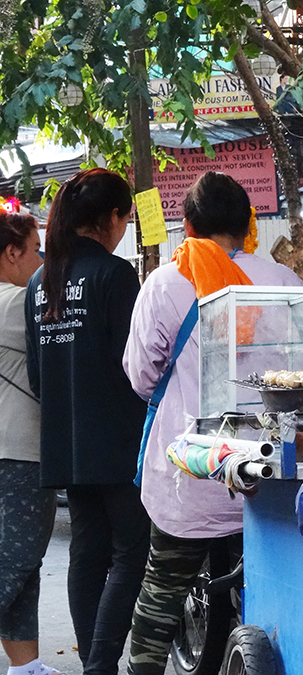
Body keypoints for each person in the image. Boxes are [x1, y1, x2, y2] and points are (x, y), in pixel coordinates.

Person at [123, 172, 302, 675]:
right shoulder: (283, 280)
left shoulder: (166, 283)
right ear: (249, 223)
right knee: (267, 594)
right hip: (267, 476)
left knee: (161, 593)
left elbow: (140, 375)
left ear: (187, 225)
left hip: (193, 472)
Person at [23, 169, 150, 675]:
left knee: (88, 552)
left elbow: (38, 374)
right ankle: (99, 666)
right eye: (125, 219)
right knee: (131, 552)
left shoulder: (40, 281)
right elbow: (136, 366)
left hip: (65, 440)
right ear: (109, 218)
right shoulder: (115, 275)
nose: (124, 230)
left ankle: (95, 666)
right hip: (117, 438)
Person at [0, 212, 60, 675]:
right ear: (12, 253)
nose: (43, 258)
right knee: (16, 561)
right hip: (16, 452)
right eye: (37, 249)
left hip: (16, 449)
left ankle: (26, 667)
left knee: (21, 567)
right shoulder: (14, 305)